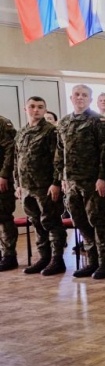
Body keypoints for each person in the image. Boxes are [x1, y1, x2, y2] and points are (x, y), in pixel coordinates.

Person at [57, 84, 105, 279]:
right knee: (80, 221)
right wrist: (62, 177)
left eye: (84, 95)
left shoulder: (98, 121)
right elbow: (60, 153)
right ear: (71, 98)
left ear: (90, 100)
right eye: (77, 95)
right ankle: (93, 260)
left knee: (98, 220)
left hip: (93, 181)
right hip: (72, 181)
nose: (80, 98)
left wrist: (102, 177)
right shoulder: (64, 122)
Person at [14, 97, 67, 275]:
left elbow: (58, 160)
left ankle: (57, 259)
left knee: (51, 222)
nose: (35, 110)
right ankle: (44, 257)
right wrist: (18, 184)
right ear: (25, 109)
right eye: (32, 107)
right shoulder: (21, 132)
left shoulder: (51, 131)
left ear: (45, 110)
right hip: (28, 187)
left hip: (46, 186)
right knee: (36, 223)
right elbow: (17, 160)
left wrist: (56, 183)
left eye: (40, 107)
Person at [0, 113, 18, 271]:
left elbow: (10, 151)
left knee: (4, 216)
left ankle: (9, 255)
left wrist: (4, 174)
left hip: (1, 178)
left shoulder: (2, 123)